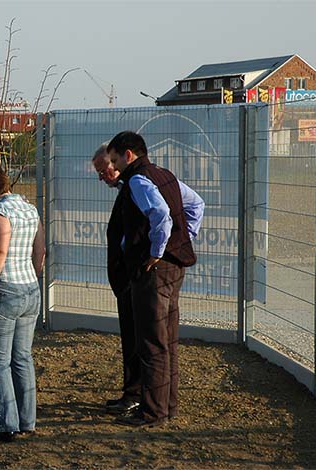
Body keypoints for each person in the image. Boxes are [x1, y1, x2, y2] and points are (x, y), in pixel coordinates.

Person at [106, 131, 204, 427]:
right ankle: (167, 406)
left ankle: (152, 412)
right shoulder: (165, 175)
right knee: (167, 340)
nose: (114, 167)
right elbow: (196, 204)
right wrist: (182, 240)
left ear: (128, 155)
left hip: (154, 271)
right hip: (175, 268)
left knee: (151, 342)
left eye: (114, 160)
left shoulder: (138, 180)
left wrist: (157, 251)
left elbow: (161, 215)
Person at [0, 164, 46, 443]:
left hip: (5, 291)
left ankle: (6, 426)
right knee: (22, 358)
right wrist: (32, 277)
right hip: (30, 289)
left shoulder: (0, 211)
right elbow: (41, 250)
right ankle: (27, 422)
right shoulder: (29, 208)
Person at [91, 144, 140, 416]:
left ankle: (136, 393)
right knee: (130, 337)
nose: (102, 177)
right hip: (125, 279)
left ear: (118, 160)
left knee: (137, 338)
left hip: (135, 277)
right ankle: (131, 390)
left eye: (104, 170)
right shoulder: (125, 190)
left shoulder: (137, 187)